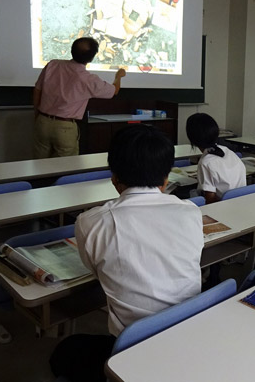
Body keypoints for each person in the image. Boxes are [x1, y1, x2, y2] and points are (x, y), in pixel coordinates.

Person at [51, 125, 203, 382]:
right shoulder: (190, 212)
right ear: (167, 179)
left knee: (65, 353)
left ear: (113, 177)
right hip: (187, 330)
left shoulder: (92, 222)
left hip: (132, 344)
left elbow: (93, 269)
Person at [33, 37, 126, 158]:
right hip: (65, 127)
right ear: (91, 58)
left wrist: (37, 114)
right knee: (65, 168)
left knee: (39, 165)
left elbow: (37, 90)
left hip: (43, 121)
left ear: (72, 50)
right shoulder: (88, 79)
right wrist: (118, 76)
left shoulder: (53, 64)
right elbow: (114, 91)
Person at [186, 113, 246, 203]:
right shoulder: (228, 151)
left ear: (192, 139)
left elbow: (210, 199)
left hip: (223, 207)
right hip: (241, 201)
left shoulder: (206, 162)